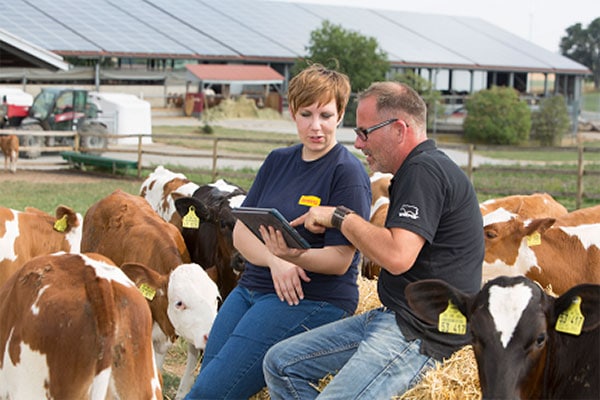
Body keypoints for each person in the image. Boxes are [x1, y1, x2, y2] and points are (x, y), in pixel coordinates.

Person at [263, 81, 484, 399]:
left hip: (420, 333)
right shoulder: (418, 170)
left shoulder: (425, 171)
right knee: (280, 363)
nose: (358, 142)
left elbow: (397, 256)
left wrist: (338, 216)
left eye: (365, 132)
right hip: (391, 317)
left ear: (398, 129)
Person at [184, 64, 372, 399]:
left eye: (326, 115)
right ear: (293, 114)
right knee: (207, 378)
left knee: (209, 393)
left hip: (311, 298)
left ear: (341, 115)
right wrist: (276, 262)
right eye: (306, 114)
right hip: (251, 288)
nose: (316, 126)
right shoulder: (278, 161)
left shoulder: (347, 173)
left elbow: (340, 260)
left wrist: (291, 258)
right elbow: (242, 233)